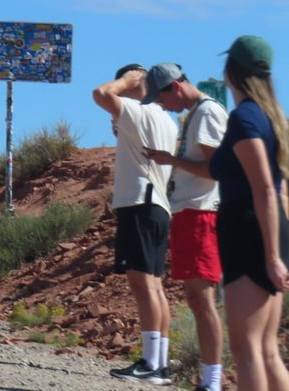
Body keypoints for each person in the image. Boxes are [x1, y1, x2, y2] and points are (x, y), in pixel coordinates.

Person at [209, 35, 289, 390]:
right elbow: (280, 189)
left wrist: (272, 257)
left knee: (247, 350)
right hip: (271, 229)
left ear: (231, 71)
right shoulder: (273, 118)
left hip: (249, 231)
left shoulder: (244, 118)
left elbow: (265, 188)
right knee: (267, 350)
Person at [142, 64, 227, 391]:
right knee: (196, 299)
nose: (163, 105)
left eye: (162, 97)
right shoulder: (197, 113)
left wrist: (171, 160)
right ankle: (209, 379)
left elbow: (214, 168)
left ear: (175, 87)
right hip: (192, 213)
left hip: (201, 214)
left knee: (202, 301)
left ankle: (213, 380)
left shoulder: (206, 113)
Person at [92, 64, 177, 385]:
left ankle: (150, 363)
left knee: (143, 286)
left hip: (140, 204)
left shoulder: (138, 111)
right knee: (154, 286)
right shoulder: (165, 119)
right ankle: (160, 364)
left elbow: (100, 93)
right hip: (158, 206)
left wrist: (124, 82)